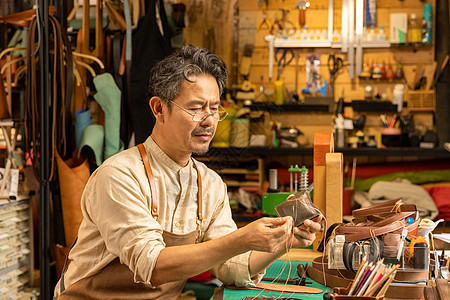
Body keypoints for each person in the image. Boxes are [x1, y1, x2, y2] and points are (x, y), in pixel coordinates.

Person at [54, 44, 322, 299]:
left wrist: (284, 241)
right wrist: (243, 237)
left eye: (215, 109)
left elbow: (230, 267)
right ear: (159, 108)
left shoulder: (209, 184)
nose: (208, 120)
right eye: (196, 108)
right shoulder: (120, 175)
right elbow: (153, 266)